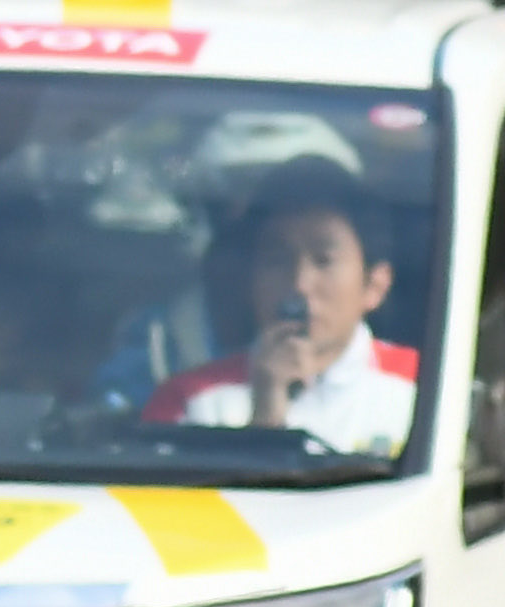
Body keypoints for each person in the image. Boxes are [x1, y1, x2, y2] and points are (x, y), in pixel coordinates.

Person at [143, 165, 416, 459]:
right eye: (277, 261)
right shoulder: (188, 402)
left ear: (375, 284)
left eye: (324, 261)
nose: (299, 284)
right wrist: (265, 419)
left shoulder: (424, 387)